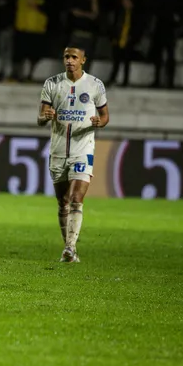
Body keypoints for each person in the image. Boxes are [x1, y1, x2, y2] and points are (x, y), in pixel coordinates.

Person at [37, 47, 109, 264]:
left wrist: (100, 122)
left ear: (83, 61)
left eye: (74, 57)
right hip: (58, 151)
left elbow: (105, 116)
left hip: (82, 150)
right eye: (66, 57)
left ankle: (69, 248)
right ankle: (70, 250)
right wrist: (45, 116)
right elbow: (40, 118)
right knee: (63, 201)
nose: (69, 61)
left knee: (76, 199)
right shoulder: (52, 83)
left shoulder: (95, 85)